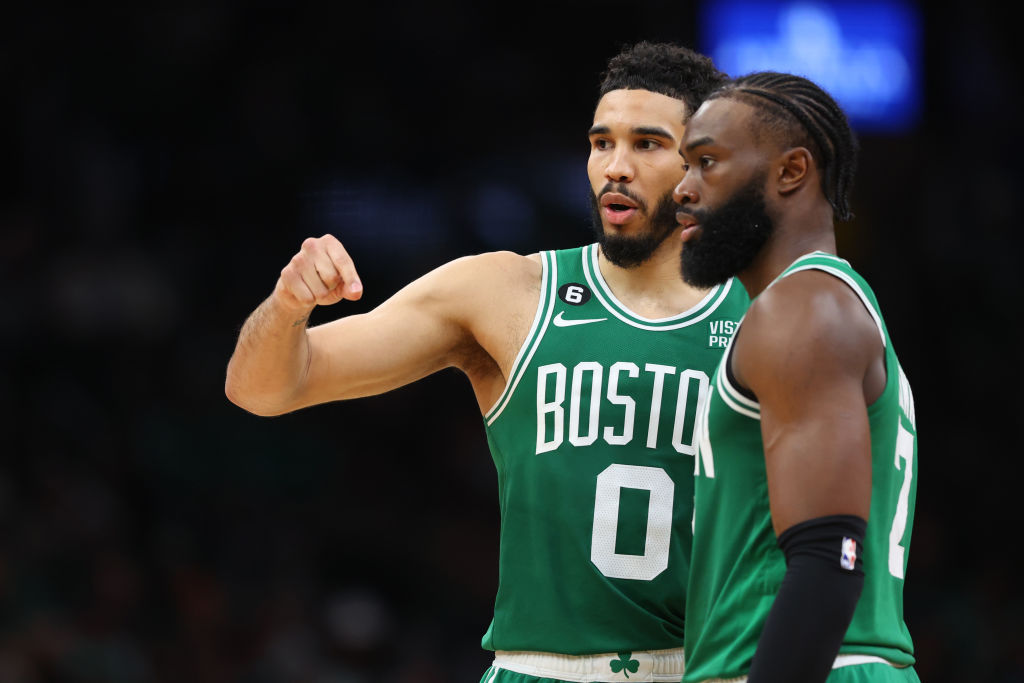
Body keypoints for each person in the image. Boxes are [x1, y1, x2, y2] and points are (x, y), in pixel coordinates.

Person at [225, 43, 749, 683]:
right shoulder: (508, 292)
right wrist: (286, 307)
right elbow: (263, 389)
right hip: (540, 667)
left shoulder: (771, 315)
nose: (615, 166)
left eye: (647, 144)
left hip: (709, 669)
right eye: (600, 142)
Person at [672, 72, 919, 683]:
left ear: (791, 172)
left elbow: (828, 559)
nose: (682, 188)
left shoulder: (802, 310)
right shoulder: (826, 305)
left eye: (708, 162)